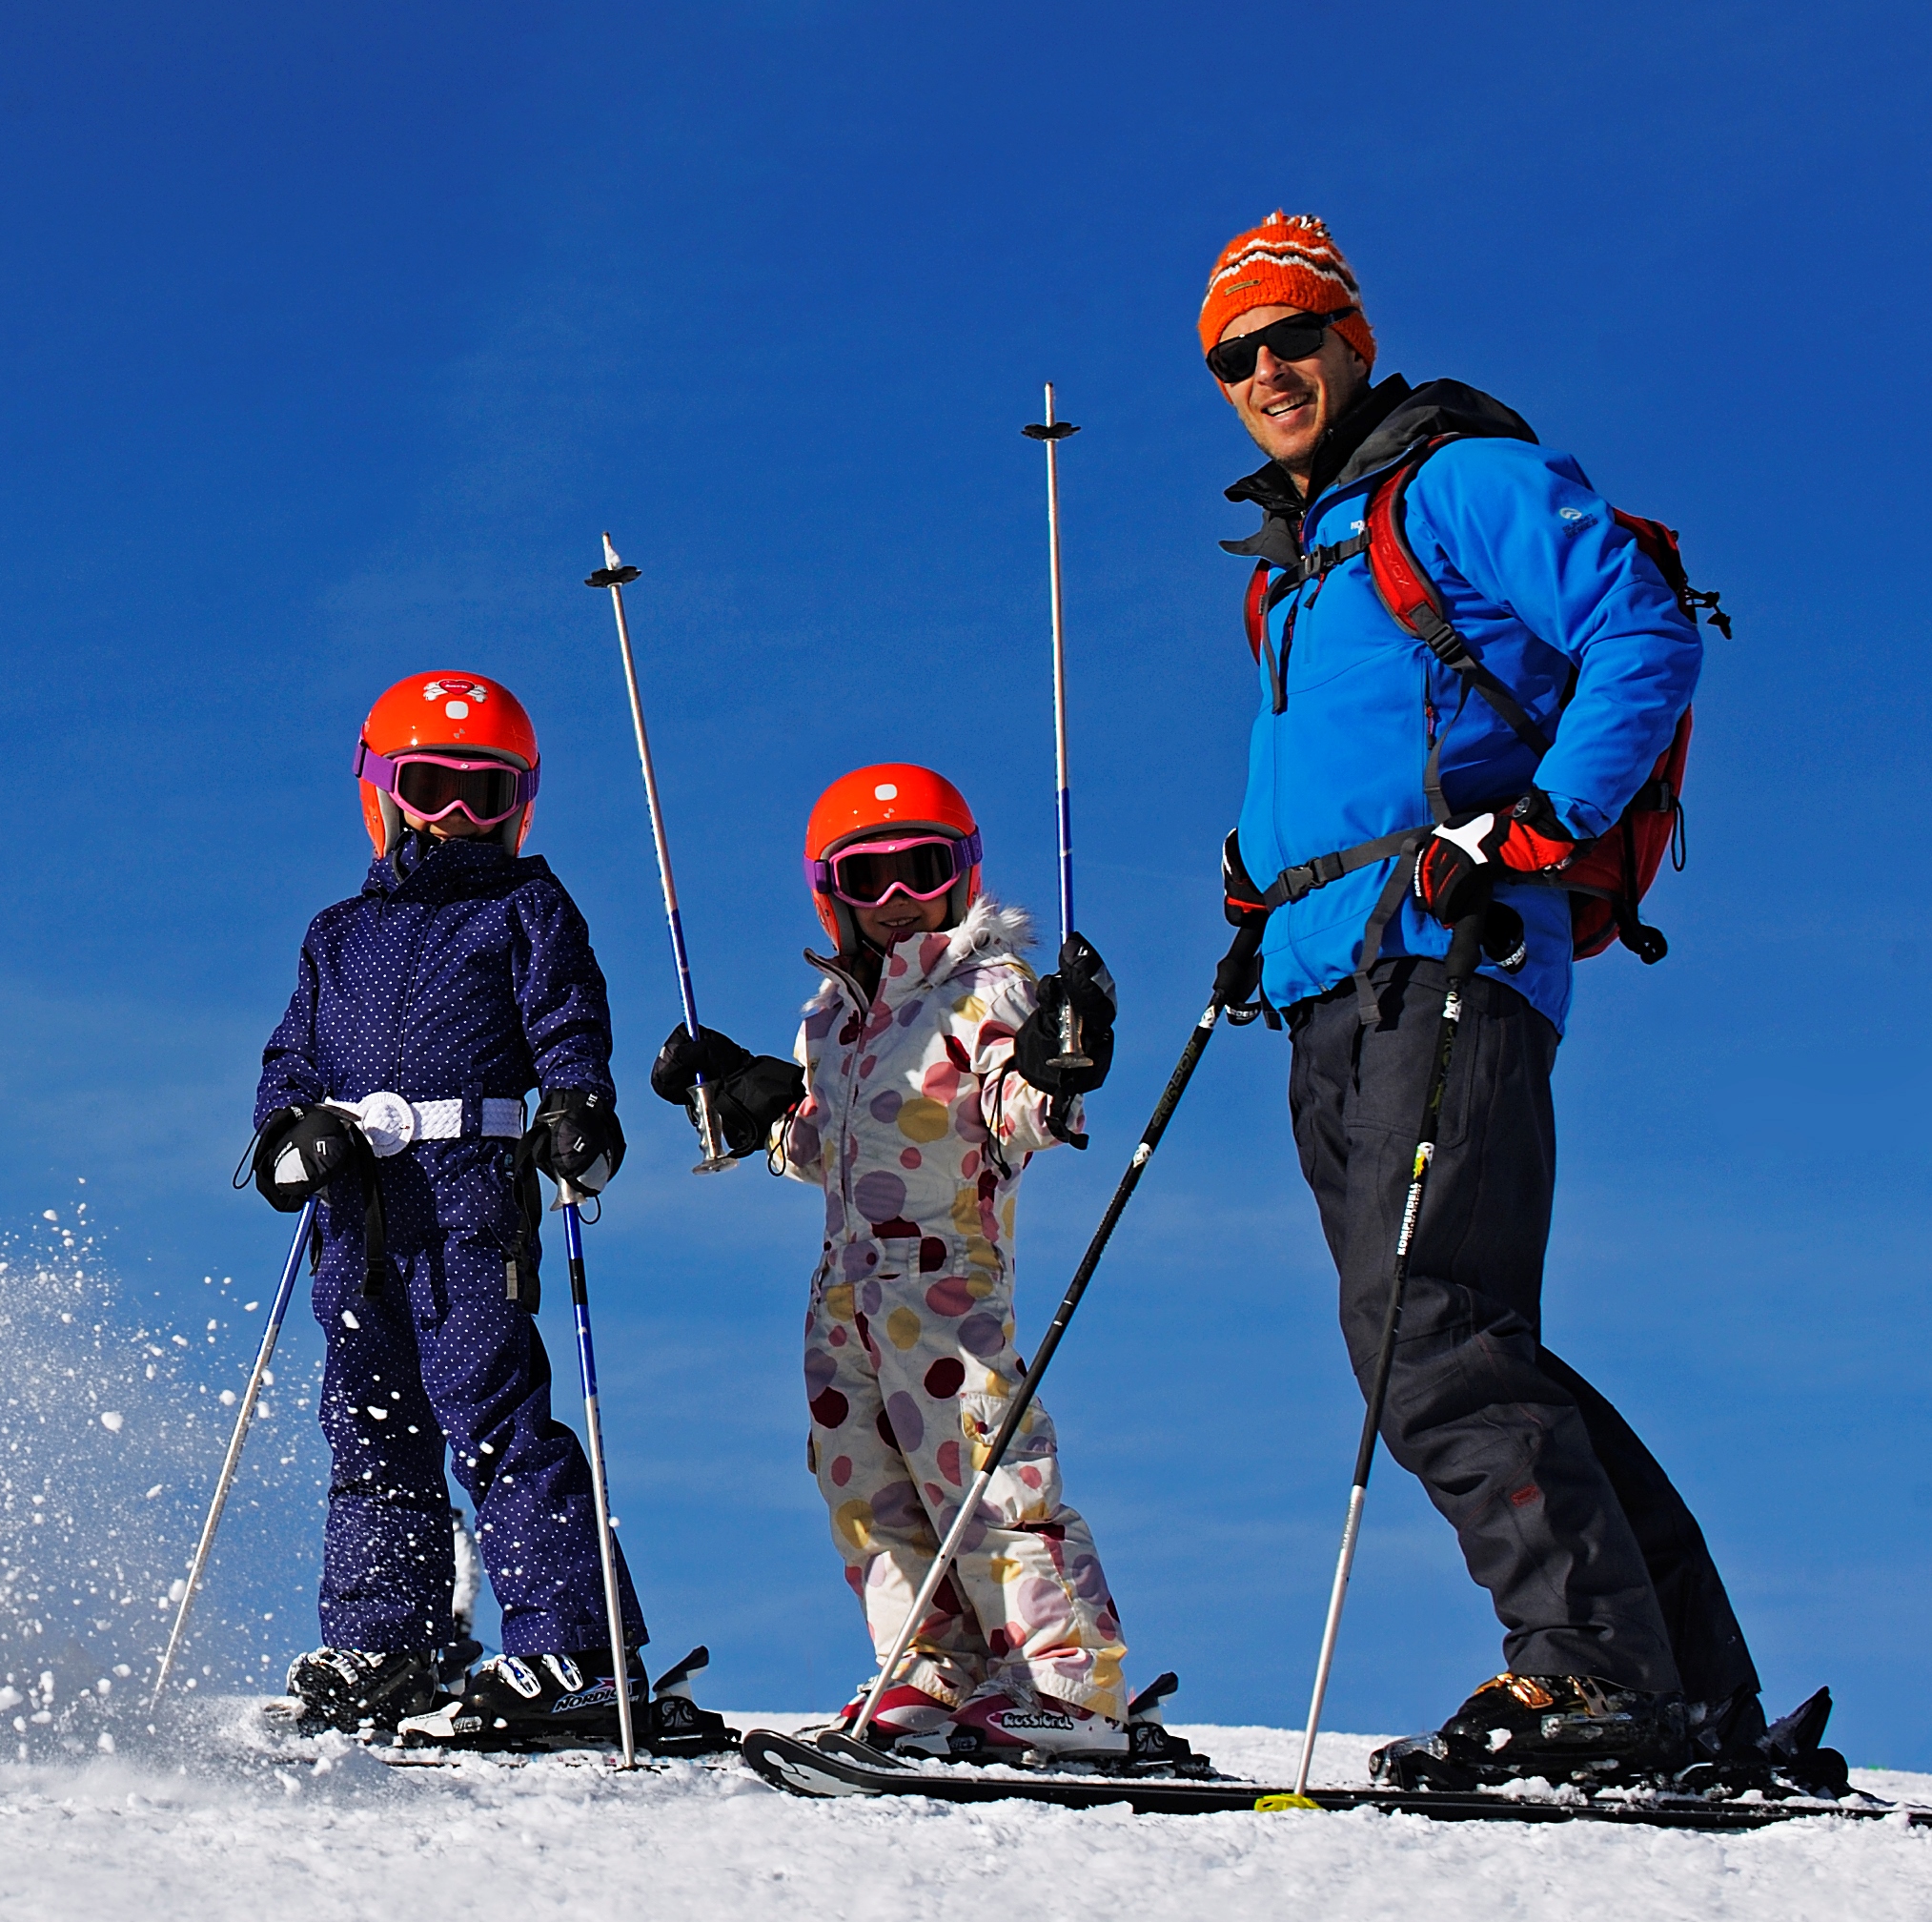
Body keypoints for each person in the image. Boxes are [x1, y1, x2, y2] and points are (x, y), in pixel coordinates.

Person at [1198, 212, 1838, 1794]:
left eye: (1293, 335)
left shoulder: (1456, 481)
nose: (1269, 370)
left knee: (1426, 1330)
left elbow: (1640, 631)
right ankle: (1683, 1688)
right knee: (1454, 1333)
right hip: (1325, 984)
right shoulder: (1293, 565)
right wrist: (1260, 901)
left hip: (1450, 958)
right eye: (1235, 356)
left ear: (1352, 334)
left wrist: (1536, 827)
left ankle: (1590, 1676)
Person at [650, 767, 1177, 1769]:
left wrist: (1057, 1068)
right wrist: (754, 1098)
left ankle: (1070, 1682)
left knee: (982, 1475)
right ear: (830, 893)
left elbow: (1017, 1110)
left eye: (920, 871)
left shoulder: (986, 991)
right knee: (861, 1484)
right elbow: (827, 1148)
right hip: (842, 1291)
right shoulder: (834, 1022)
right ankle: (932, 1665)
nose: (896, 900)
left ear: (961, 876)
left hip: (944, 1284)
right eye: (869, 877)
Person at [248, 670, 687, 1753]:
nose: (453, 817)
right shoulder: (335, 933)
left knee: (490, 1409)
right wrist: (283, 1134)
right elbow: (292, 1052)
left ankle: (574, 1643)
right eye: (429, 786)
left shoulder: (525, 907)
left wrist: (579, 1107)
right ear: (380, 790)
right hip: (355, 1207)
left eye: (481, 795)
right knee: (367, 1422)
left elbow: (566, 1021)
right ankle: (384, 1642)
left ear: (518, 805)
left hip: (465, 1196)